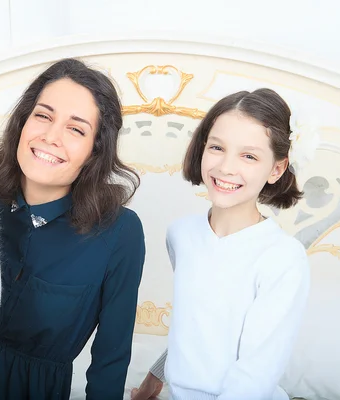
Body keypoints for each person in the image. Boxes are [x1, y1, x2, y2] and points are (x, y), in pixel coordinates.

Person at [0, 58, 146, 399]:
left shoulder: (120, 233)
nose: (51, 136)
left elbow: (111, 357)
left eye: (76, 129)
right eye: (43, 116)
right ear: (22, 122)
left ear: (95, 151)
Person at [131, 88, 311, 400]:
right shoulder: (181, 235)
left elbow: (258, 372)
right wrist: (153, 380)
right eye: (217, 147)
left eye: (249, 156)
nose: (226, 167)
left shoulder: (283, 257)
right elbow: (194, 329)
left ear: (276, 169)